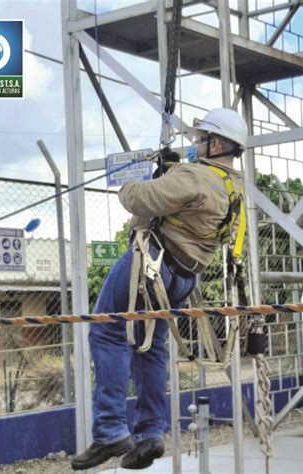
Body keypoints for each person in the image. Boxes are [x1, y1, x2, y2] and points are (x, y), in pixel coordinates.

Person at [71, 108, 248, 471]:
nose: (193, 145)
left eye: (199, 140)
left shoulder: (194, 176)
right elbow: (183, 202)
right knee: (150, 347)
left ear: (215, 144)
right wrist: (170, 172)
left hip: (152, 262)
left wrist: (129, 180)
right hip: (183, 278)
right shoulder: (233, 185)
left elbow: (138, 199)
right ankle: (150, 431)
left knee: (107, 330)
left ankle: (109, 430)